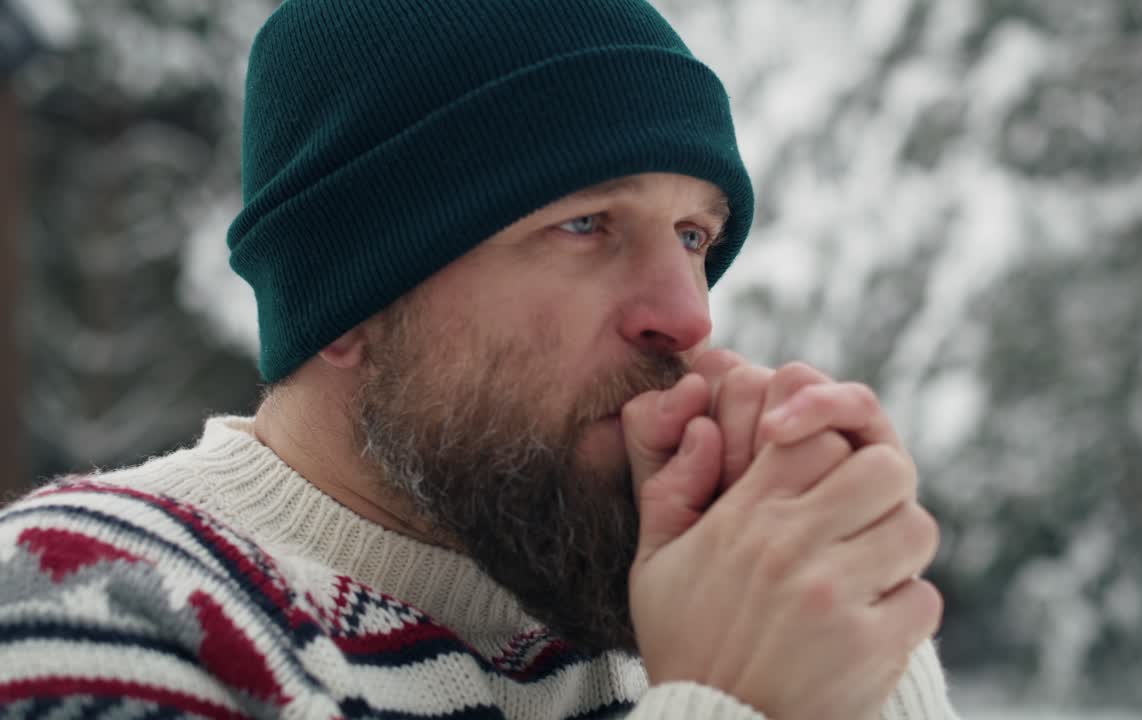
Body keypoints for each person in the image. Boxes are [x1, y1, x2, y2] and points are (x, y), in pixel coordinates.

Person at [0, 1, 959, 718]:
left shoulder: (663, 612)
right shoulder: (83, 608)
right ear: (351, 293)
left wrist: (859, 651)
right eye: (586, 223)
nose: (688, 315)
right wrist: (732, 698)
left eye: (694, 237)